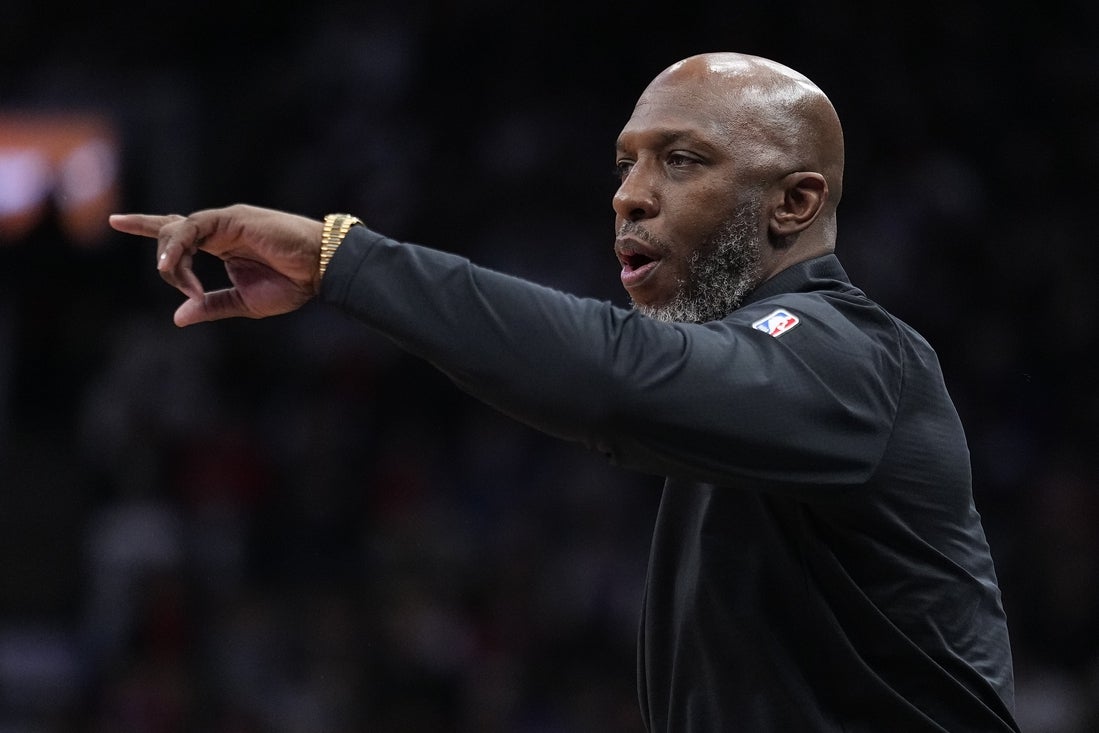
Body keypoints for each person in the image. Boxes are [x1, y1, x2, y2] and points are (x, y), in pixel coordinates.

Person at [109, 52, 1019, 732]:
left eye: (681, 160)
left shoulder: (850, 354)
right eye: (625, 163)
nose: (629, 196)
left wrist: (340, 258)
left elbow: (616, 379)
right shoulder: (755, 378)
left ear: (793, 203)